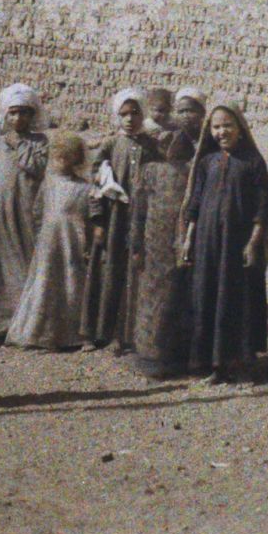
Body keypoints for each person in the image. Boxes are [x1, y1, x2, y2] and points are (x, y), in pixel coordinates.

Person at [180, 96, 268, 383]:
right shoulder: (206, 162)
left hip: (238, 244)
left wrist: (253, 242)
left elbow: (263, 207)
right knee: (208, 296)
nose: (222, 132)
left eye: (228, 126)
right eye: (217, 127)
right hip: (207, 243)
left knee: (237, 299)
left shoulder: (253, 162)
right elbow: (194, 204)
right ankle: (214, 365)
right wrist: (188, 240)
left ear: (240, 128)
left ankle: (241, 365)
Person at [81, 87, 161, 353]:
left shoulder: (153, 145)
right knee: (110, 271)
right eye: (124, 114)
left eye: (135, 113)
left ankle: (132, 334)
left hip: (143, 219)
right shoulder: (110, 145)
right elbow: (95, 184)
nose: (129, 119)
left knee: (136, 273)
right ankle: (103, 331)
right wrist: (98, 221)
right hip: (115, 219)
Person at [0, 83, 51, 339]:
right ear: (5, 115)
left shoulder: (40, 143)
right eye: (13, 113)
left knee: (26, 266)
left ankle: (23, 324)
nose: (18, 118)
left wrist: (20, 147)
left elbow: (39, 169)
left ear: (33, 115)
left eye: (24, 113)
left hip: (27, 215)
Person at [6, 131, 91, 351]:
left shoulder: (84, 187)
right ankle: (39, 334)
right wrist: (40, 235)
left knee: (71, 285)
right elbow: (37, 211)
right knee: (45, 285)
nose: (62, 162)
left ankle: (71, 336)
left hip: (71, 242)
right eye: (58, 157)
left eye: (67, 157)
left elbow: (88, 217)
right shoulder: (49, 183)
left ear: (76, 159)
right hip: (49, 242)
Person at [124, 126, 197, 379]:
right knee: (153, 298)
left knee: (180, 298)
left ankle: (177, 355)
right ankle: (151, 356)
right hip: (154, 247)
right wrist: (136, 246)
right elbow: (138, 213)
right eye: (167, 143)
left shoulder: (191, 172)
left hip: (181, 246)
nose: (172, 148)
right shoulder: (149, 172)